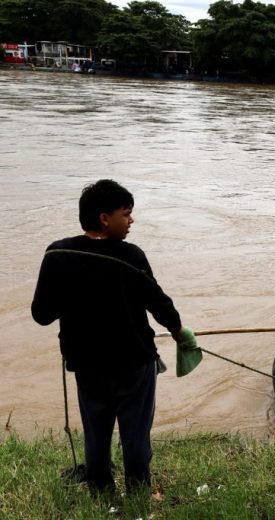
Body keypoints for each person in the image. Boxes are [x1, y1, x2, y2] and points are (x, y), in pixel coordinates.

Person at [31, 179, 197, 495]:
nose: (131, 221)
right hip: (134, 363)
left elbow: (41, 315)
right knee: (135, 432)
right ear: (104, 218)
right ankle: (137, 492)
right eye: (126, 213)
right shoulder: (131, 256)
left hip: (87, 363)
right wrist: (180, 333)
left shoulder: (57, 254)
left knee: (96, 430)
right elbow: (159, 303)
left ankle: (100, 489)